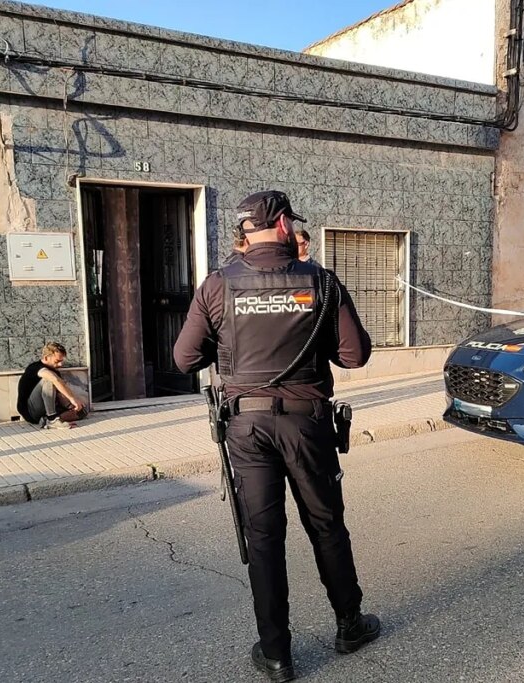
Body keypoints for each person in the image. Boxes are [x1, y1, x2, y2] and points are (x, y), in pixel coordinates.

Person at [173, 190, 380, 682]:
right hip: (308, 424)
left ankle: (277, 655)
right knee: (327, 526)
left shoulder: (218, 286)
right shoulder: (322, 283)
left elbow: (184, 359)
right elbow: (354, 356)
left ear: (245, 231)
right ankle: (349, 625)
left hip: (247, 426)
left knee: (263, 538)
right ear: (285, 225)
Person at [16, 342, 87, 430]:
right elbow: (54, 379)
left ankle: (46, 420)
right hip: (31, 410)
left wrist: (71, 405)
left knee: (82, 411)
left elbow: (59, 391)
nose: (60, 365)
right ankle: (52, 420)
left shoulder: (55, 371)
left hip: (47, 408)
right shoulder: (35, 367)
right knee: (50, 379)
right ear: (46, 357)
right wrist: (73, 399)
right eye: (57, 361)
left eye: (61, 361)